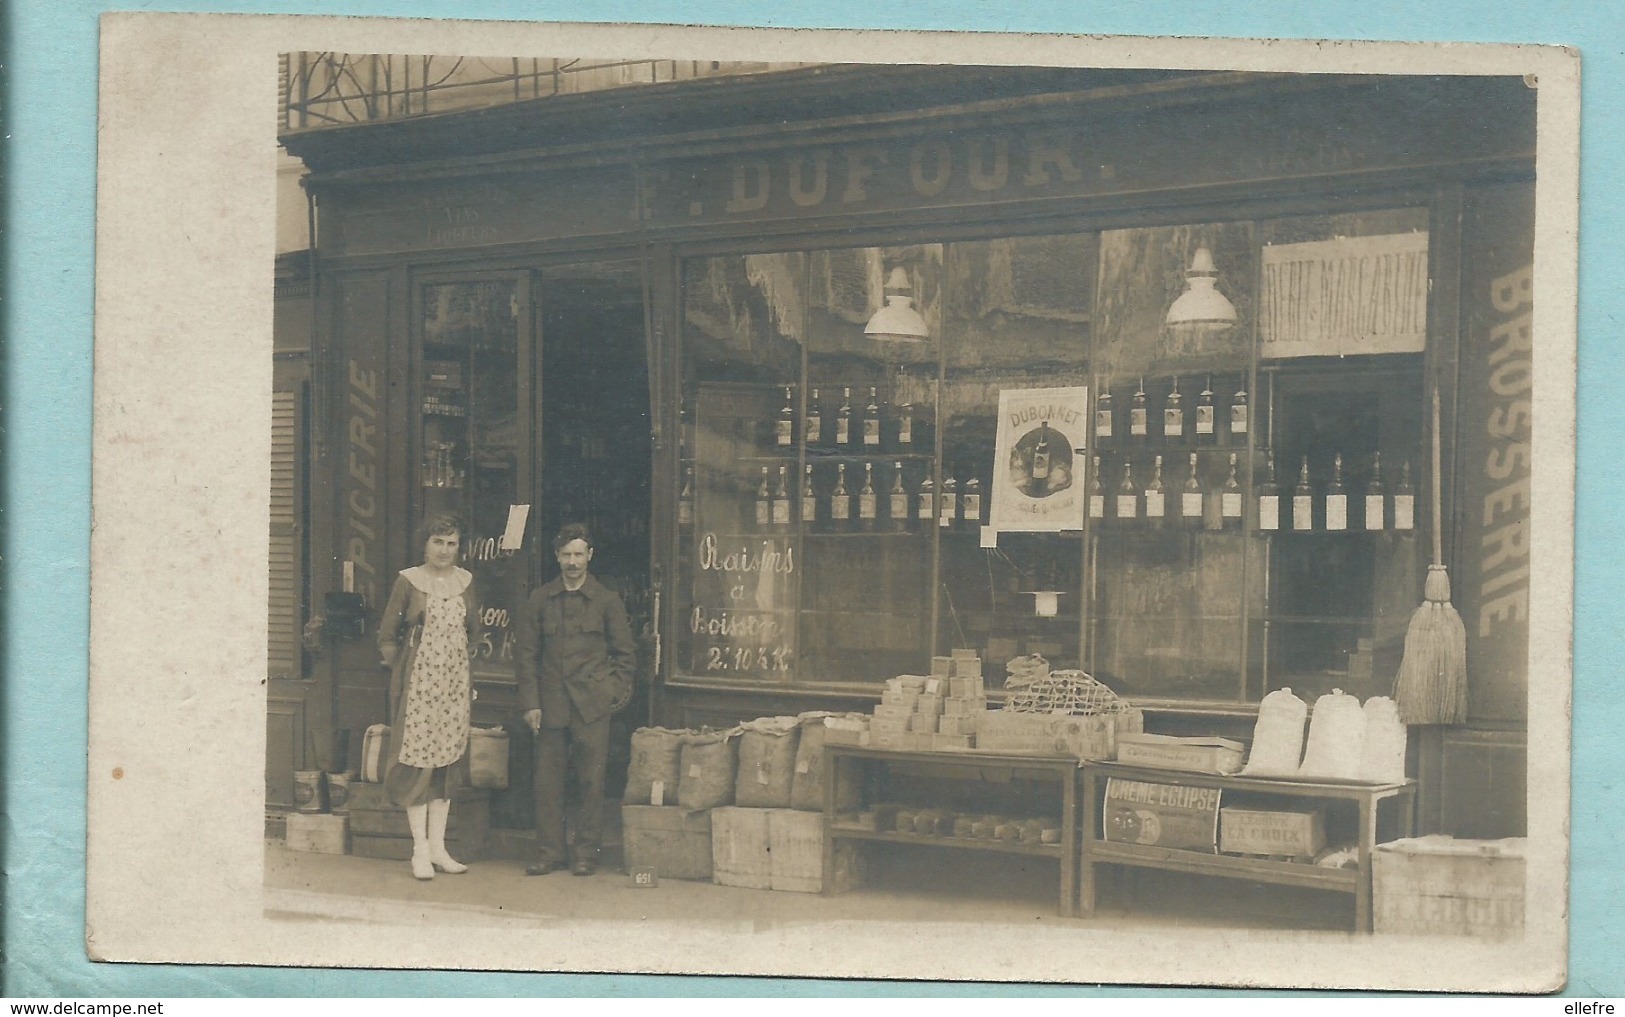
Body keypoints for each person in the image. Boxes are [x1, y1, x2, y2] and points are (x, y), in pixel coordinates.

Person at [514, 522, 636, 876]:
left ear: (590, 556)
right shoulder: (539, 599)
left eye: (579, 554)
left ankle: (586, 853)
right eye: (566, 555)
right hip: (550, 703)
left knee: (590, 781)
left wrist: (609, 692)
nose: (572, 562)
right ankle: (550, 851)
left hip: (591, 705)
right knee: (548, 782)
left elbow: (626, 655)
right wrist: (531, 703)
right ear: (557, 557)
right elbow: (526, 656)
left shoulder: (606, 601)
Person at [376, 513, 480, 881]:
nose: (444, 550)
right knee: (417, 762)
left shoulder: (465, 583)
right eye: (438, 542)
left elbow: (473, 629)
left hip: (453, 685)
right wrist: (405, 672)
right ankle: (419, 849)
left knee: (447, 763)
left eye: (452, 543)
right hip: (419, 685)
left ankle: (439, 848)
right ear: (425, 544)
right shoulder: (409, 582)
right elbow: (387, 636)